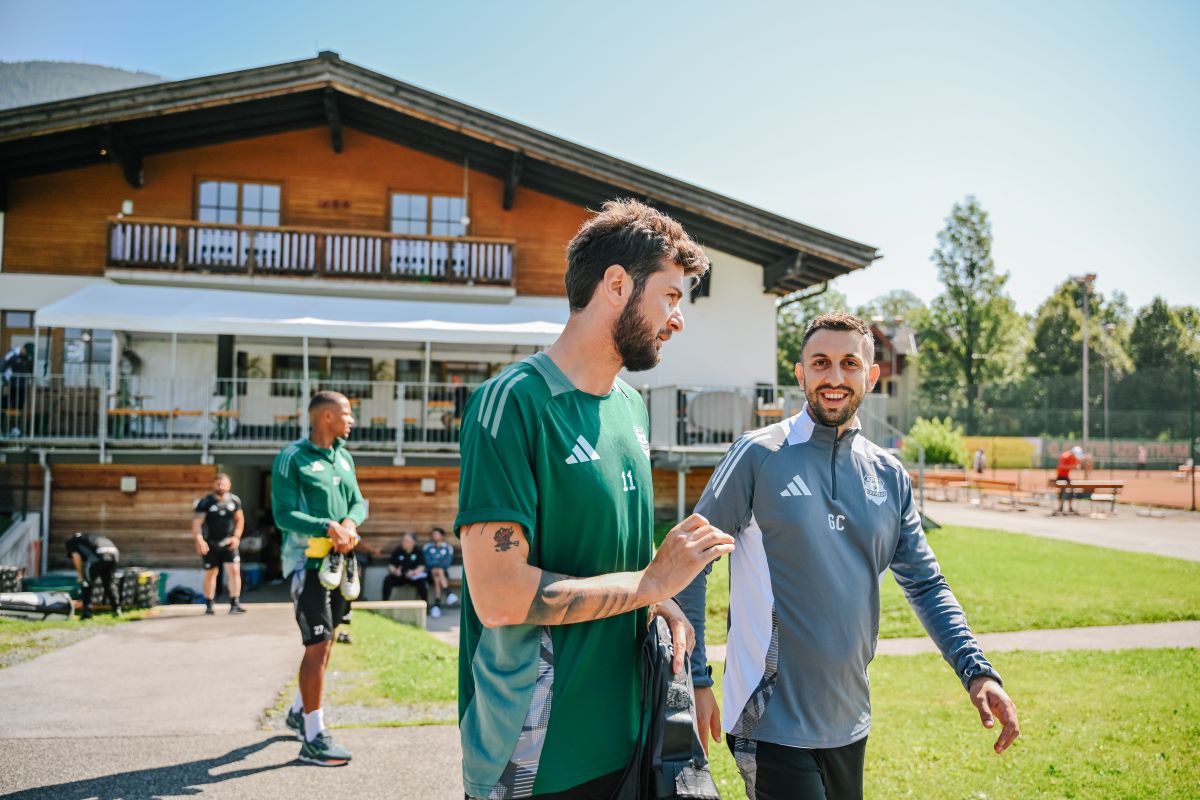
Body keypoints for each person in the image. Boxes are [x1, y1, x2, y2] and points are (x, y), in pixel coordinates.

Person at [456, 199, 734, 799]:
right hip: (535, 756)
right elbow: (500, 597)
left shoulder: (631, 408)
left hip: (630, 739)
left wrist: (660, 605)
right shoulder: (511, 405)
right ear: (615, 284)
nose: (677, 319)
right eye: (670, 296)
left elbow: (619, 568)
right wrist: (650, 586)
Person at [678, 312, 1019, 800]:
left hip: (849, 720)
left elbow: (926, 585)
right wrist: (694, 677)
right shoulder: (757, 455)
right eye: (821, 363)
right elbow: (690, 563)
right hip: (768, 717)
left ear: (871, 376)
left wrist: (976, 670)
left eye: (849, 364)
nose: (834, 378)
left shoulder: (889, 474)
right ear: (800, 373)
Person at [271, 390, 367, 766]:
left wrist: (348, 522)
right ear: (326, 416)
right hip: (306, 565)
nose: (351, 420)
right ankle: (313, 736)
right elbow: (283, 514)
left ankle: (298, 711)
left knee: (327, 644)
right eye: (347, 413)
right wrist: (327, 526)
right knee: (317, 643)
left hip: (341, 566)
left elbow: (360, 501)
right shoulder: (291, 457)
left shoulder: (343, 456)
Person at [192, 472, 247, 615]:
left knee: (234, 571)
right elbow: (197, 523)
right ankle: (209, 604)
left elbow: (240, 520)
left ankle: (235, 603)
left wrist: (236, 537)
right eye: (218, 483)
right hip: (211, 543)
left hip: (229, 542)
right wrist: (199, 540)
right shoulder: (206, 502)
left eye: (224, 483)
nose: (221, 486)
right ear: (213, 485)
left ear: (229, 485)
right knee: (211, 573)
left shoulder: (234, 501)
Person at [65, 532, 121, 619]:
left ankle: (87, 613)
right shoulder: (90, 536)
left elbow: (76, 557)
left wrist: (80, 575)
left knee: (86, 583)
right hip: (114, 553)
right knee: (109, 583)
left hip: (98, 555)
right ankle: (116, 610)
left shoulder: (71, 541)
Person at [382, 533, 428, 605]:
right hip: (400, 576)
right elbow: (390, 565)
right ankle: (384, 604)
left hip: (412, 577)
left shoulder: (418, 552)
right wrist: (395, 571)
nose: (404, 543)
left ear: (413, 542)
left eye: (407, 541)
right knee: (388, 580)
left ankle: (425, 606)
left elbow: (422, 566)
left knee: (422, 582)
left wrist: (414, 572)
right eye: (403, 541)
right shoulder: (398, 551)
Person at [421, 526, 457, 617]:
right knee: (436, 571)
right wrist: (437, 564)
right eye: (433, 534)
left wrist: (436, 563)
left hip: (443, 573)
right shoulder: (427, 547)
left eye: (436, 534)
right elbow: (427, 562)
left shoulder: (448, 547)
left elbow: (447, 563)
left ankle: (437, 606)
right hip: (429, 573)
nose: (434, 536)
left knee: (438, 576)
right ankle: (448, 593)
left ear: (442, 536)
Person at [1, 342, 34, 437]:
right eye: (27, 353)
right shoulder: (12, 355)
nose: (28, 355)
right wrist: (5, 383)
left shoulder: (29, 357)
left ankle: (14, 428)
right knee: (3, 406)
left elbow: (30, 370)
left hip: (22, 386)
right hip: (9, 385)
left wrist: (30, 381)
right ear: (23, 349)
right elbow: (2, 368)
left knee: (18, 407)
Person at [1054, 445, 1085, 515]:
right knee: (1062, 492)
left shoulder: (1073, 457)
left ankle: (1070, 508)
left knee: (1071, 490)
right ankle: (1060, 507)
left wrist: (1077, 465)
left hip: (1066, 476)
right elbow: (1061, 466)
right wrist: (1072, 466)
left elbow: (1077, 464)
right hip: (1061, 476)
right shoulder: (1065, 456)